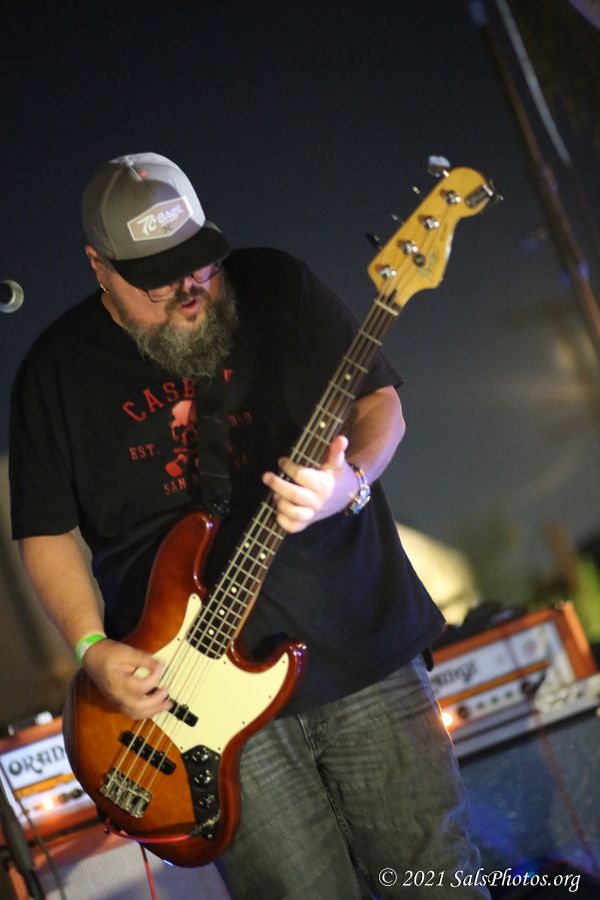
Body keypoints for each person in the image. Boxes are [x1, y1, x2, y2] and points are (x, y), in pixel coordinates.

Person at [10, 152, 490, 899]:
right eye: (157, 279)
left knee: (437, 879)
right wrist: (91, 650)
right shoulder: (54, 372)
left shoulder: (276, 284)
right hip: (192, 711)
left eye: (196, 262)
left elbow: (379, 404)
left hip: (360, 653)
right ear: (99, 266)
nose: (188, 288)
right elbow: (43, 533)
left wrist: (349, 484)